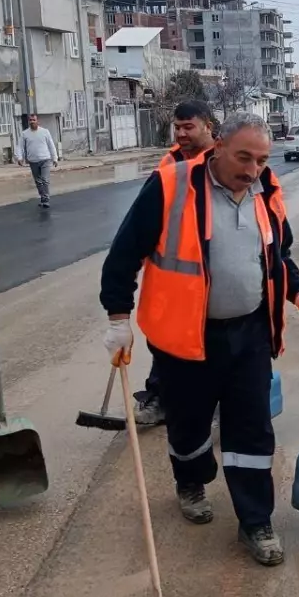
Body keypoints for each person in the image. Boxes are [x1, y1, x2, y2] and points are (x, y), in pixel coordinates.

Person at [100, 112, 299, 566]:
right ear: (218, 145)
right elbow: (124, 255)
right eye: (244, 156)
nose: (252, 169)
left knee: (252, 428)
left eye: (262, 160)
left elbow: (277, 255)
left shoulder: (267, 193)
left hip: (249, 334)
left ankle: (255, 520)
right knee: (188, 425)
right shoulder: (171, 187)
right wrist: (117, 319)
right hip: (185, 336)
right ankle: (191, 481)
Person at [133, 100, 217, 428]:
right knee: (168, 343)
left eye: (188, 127)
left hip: (214, 271)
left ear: (208, 125)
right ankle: (160, 397)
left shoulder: (221, 161)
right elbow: (145, 217)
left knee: (213, 344)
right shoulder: (168, 163)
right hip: (176, 273)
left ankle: (215, 402)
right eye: (177, 127)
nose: (181, 133)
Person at [16, 115, 58, 208]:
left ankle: (46, 199)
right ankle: (42, 197)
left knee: (45, 180)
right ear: (28, 122)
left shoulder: (44, 132)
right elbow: (20, 146)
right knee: (38, 181)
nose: (32, 122)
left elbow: (51, 145)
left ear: (37, 121)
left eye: (34, 120)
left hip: (45, 159)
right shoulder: (25, 134)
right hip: (33, 161)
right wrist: (19, 157)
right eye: (30, 120)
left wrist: (54, 158)